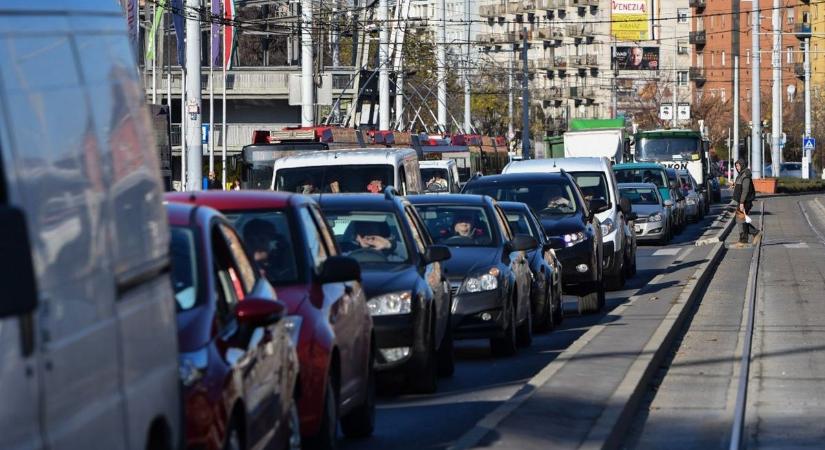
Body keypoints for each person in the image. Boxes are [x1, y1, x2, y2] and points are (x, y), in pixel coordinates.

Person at [732, 159, 760, 245]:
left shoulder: (746, 175)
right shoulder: (741, 174)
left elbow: (745, 190)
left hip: (745, 201)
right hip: (742, 201)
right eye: (736, 166)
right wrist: (734, 185)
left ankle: (744, 239)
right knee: (740, 219)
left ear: (742, 165)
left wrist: (741, 203)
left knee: (740, 219)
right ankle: (753, 234)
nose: (737, 168)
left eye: (738, 166)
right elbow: (740, 185)